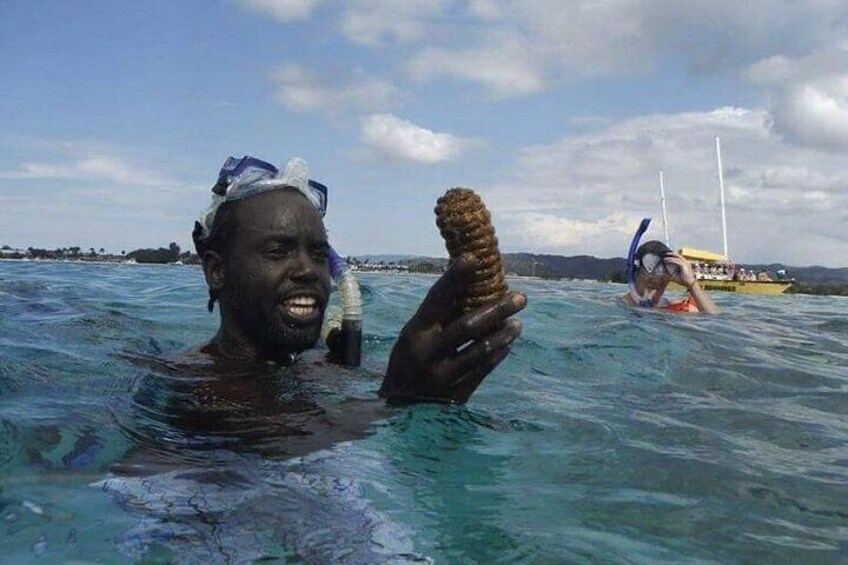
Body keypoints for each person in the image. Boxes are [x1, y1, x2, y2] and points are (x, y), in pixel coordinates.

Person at [186, 155, 527, 404]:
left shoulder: (317, 364)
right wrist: (399, 398)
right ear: (216, 270)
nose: (308, 270)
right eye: (278, 251)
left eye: (320, 254)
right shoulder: (200, 390)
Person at [621, 220, 718, 314]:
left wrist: (691, 284)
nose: (657, 282)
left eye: (663, 280)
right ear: (634, 271)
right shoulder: (616, 306)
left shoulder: (672, 309)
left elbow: (713, 320)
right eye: (650, 279)